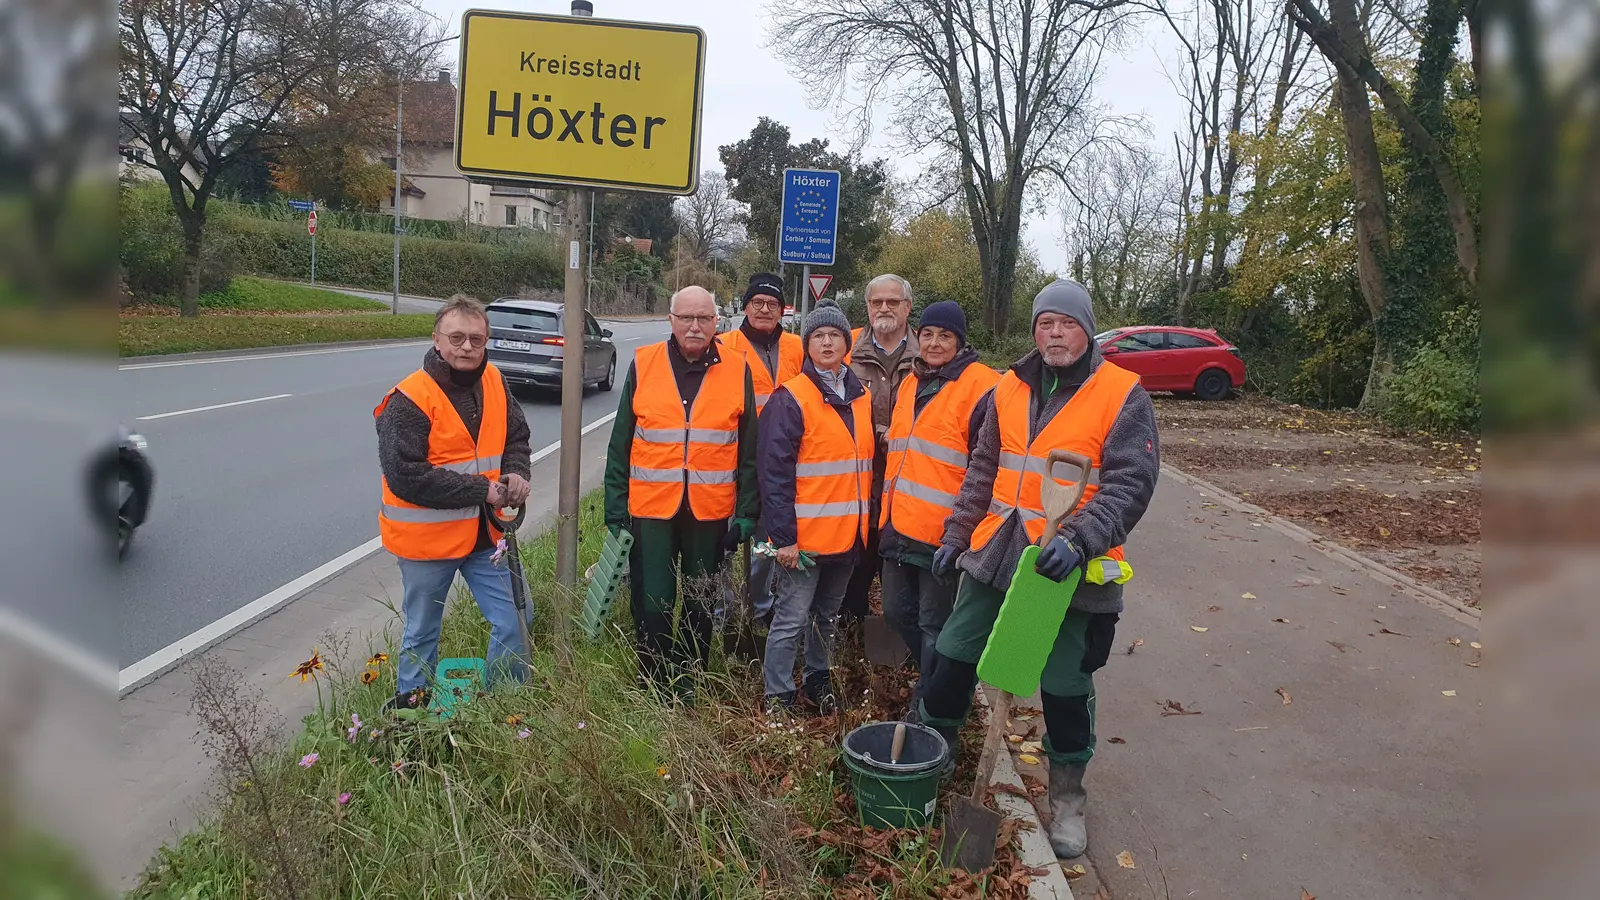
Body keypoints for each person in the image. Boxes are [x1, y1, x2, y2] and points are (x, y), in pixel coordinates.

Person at [920, 280, 1159, 860]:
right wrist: (956, 534)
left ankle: (1069, 798)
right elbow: (982, 468)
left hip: (1066, 570)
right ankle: (937, 757)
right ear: (1035, 331)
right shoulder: (1010, 387)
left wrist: (1080, 540)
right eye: (1045, 323)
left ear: (1086, 329)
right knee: (952, 654)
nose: (1055, 333)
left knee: (1063, 684)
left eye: (1067, 324)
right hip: (1000, 554)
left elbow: (1132, 484)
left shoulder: (1122, 395)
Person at [375, 295, 534, 711]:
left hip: (487, 536)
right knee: (423, 632)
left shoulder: (496, 382)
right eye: (457, 338)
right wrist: (483, 490)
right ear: (437, 340)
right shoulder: (408, 400)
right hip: (428, 545)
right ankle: (411, 713)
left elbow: (516, 437)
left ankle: (502, 706)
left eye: (476, 340)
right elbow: (407, 477)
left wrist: (517, 472)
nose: (467, 348)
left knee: (516, 617)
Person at [603, 286, 759, 700]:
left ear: (716, 322)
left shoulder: (737, 368)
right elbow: (620, 443)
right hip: (651, 509)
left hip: (709, 512)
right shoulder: (644, 363)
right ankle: (652, 679)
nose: (695, 326)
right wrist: (615, 508)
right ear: (670, 320)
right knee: (652, 597)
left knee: (700, 598)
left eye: (704, 318)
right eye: (686, 318)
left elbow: (749, 450)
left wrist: (746, 512)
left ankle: (689, 679)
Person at [878, 301, 998, 719]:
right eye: (927, 334)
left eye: (944, 336)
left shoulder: (982, 387)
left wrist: (962, 532)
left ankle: (931, 703)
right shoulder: (912, 381)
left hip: (942, 533)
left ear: (960, 342)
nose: (933, 342)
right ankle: (936, 679)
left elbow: (986, 465)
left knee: (934, 624)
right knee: (895, 611)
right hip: (898, 524)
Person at [757, 300, 873, 716]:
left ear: (846, 342)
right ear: (807, 345)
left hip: (845, 538)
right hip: (803, 542)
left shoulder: (860, 395)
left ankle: (818, 681)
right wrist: (783, 538)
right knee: (790, 618)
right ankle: (779, 696)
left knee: (827, 617)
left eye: (834, 335)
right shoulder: (791, 398)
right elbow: (774, 474)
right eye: (818, 336)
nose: (827, 342)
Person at [720, 273, 804, 626]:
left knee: (764, 543)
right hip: (730, 459)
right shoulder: (723, 345)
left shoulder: (798, 347)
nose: (765, 309)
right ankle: (723, 610)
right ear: (746, 305)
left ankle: (759, 604)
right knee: (724, 542)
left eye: (773, 304)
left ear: (782, 310)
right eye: (758, 303)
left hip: (778, 463)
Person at [841, 273, 921, 623]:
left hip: (909, 491)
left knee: (902, 588)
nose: (884, 308)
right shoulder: (845, 351)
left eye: (892, 301)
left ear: (908, 307)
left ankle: (899, 651)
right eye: (877, 302)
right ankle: (846, 652)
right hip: (854, 488)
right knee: (851, 579)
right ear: (867, 307)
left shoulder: (930, 355)